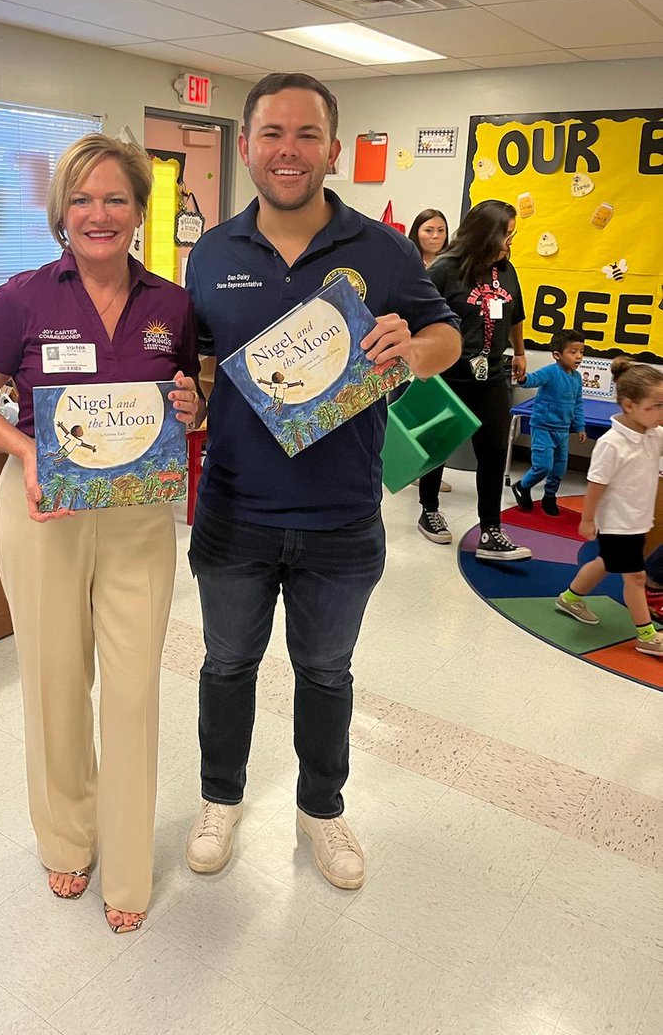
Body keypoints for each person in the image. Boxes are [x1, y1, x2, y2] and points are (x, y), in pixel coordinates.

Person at [183, 73, 461, 890]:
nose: (289, 150)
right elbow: (198, 363)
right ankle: (220, 799)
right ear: (246, 147)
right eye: (272, 133)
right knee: (226, 666)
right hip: (234, 509)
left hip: (342, 515)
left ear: (333, 149)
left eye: (307, 135)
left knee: (327, 673)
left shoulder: (384, 250)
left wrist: (411, 351)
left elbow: (444, 333)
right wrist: (183, 397)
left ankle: (323, 809)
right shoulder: (214, 252)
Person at [0, 133, 202, 935]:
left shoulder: (171, 303)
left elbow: (185, 397)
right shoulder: (21, 297)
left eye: (116, 199)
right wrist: (27, 451)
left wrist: (193, 407)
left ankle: (128, 868)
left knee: (132, 692)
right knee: (56, 684)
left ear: (138, 210)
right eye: (83, 199)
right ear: (62, 211)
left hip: (137, 521)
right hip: (42, 516)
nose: (99, 214)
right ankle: (66, 837)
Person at [416, 200, 532, 561]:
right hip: (447, 375)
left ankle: (491, 530)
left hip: (493, 375)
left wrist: (521, 351)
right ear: (486, 233)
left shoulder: (506, 268)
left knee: (495, 452)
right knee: (437, 446)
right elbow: (416, 315)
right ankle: (429, 509)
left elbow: (515, 313)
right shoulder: (446, 269)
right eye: (506, 234)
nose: (509, 241)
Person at [556, 358, 663, 656]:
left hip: (638, 520)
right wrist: (588, 519)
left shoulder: (653, 435)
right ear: (629, 405)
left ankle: (569, 597)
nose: (661, 412)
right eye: (655, 405)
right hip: (618, 522)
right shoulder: (612, 443)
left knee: (606, 563)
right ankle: (646, 635)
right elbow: (596, 484)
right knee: (636, 577)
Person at [511, 329, 587, 516]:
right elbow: (534, 379)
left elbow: (577, 403)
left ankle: (549, 497)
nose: (578, 356)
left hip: (563, 431)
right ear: (557, 355)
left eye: (581, 352)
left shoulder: (577, 378)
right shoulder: (551, 372)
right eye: (573, 352)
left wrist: (580, 426)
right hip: (543, 427)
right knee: (543, 466)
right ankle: (522, 486)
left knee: (559, 468)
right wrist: (523, 378)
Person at [408, 208, 453, 492]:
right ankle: (412, 466)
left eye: (440, 230)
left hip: (438, 348)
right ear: (417, 232)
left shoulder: (452, 265)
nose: (435, 236)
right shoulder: (408, 261)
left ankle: (431, 472)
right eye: (428, 230)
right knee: (410, 411)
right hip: (410, 347)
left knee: (435, 415)